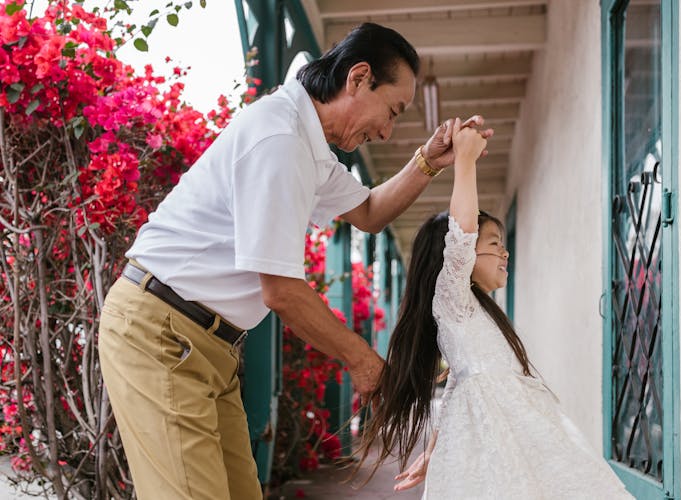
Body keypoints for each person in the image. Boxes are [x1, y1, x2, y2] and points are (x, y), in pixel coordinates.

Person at [97, 23, 492, 500]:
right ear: (358, 77)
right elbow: (280, 289)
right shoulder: (280, 138)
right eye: (392, 110)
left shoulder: (308, 144)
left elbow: (368, 212)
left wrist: (427, 160)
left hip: (209, 345)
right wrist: (364, 361)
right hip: (161, 331)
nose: (387, 130)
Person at [355, 119, 633, 499]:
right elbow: (462, 237)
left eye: (503, 243)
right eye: (494, 243)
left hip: (525, 436)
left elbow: (455, 386)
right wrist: (465, 161)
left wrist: (433, 448)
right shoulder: (451, 300)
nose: (504, 252)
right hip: (493, 443)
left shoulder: (477, 311)